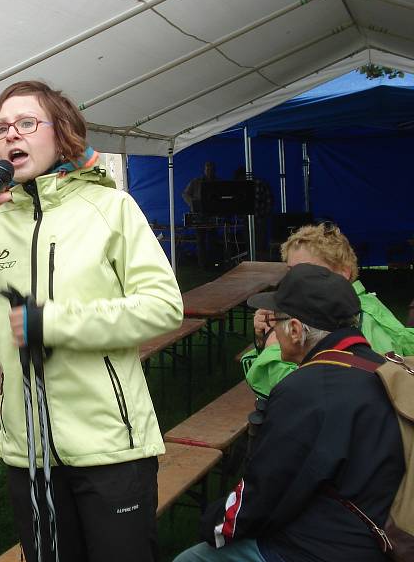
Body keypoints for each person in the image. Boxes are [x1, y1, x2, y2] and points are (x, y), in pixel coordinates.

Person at [0, 80, 183, 562]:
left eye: (26, 123)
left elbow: (163, 305)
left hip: (111, 444)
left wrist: (55, 322)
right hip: (29, 452)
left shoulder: (111, 208)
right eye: (0, 129)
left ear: (60, 134)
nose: (10, 136)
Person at [175, 263, 405, 562]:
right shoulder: (381, 368)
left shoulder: (307, 388)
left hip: (326, 548)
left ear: (295, 330)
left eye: (277, 321)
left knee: (191, 559)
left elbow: (264, 492)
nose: (273, 330)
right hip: (384, 534)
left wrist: (212, 525)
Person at [243, 222, 414, 397]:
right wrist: (268, 335)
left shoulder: (358, 320)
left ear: (343, 273)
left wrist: (274, 347)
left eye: (307, 271)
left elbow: (310, 390)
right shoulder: (323, 309)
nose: (294, 280)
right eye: (290, 271)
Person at [182, 161, 218, 268]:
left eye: (211, 169)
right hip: (199, 215)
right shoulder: (196, 182)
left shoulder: (217, 182)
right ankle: (202, 264)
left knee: (213, 240)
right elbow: (185, 194)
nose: (209, 171)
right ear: (204, 170)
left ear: (214, 170)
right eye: (207, 169)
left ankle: (213, 263)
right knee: (200, 240)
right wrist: (193, 203)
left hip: (213, 214)